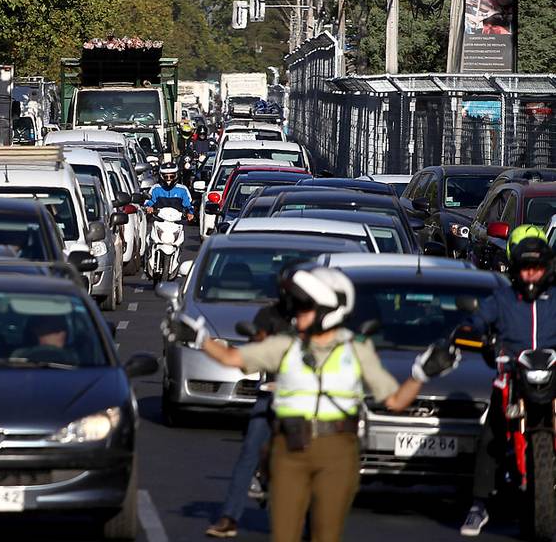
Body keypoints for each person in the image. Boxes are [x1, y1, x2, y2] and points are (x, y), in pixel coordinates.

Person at [183, 266, 459, 542]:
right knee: (283, 535)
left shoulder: (356, 350)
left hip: (337, 451)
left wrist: (419, 376)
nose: (297, 313)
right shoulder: (285, 345)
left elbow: (395, 400)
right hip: (288, 447)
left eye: (305, 307)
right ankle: (231, 515)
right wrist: (201, 339)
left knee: (325, 534)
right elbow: (232, 358)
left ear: (330, 311)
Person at [458, 225, 556, 537]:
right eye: (526, 268)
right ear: (516, 269)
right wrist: (474, 333)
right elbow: (476, 322)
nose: (531, 274)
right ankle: (480, 504)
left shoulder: (555, 297)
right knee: (492, 432)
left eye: (537, 267)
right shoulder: (502, 298)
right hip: (512, 376)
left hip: (552, 376)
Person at [205, 296, 293, 538]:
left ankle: (307, 521)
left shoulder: (318, 323)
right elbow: (249, 356)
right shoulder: (269, 315)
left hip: (302, 399)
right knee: (250, 450)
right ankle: (229, 517)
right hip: (270, 393)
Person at [12, 315, 80, 366]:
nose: (62, 333)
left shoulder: (72, 357)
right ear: (36, 331)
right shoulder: (19, 355)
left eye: (63, 327)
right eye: (55, 329)